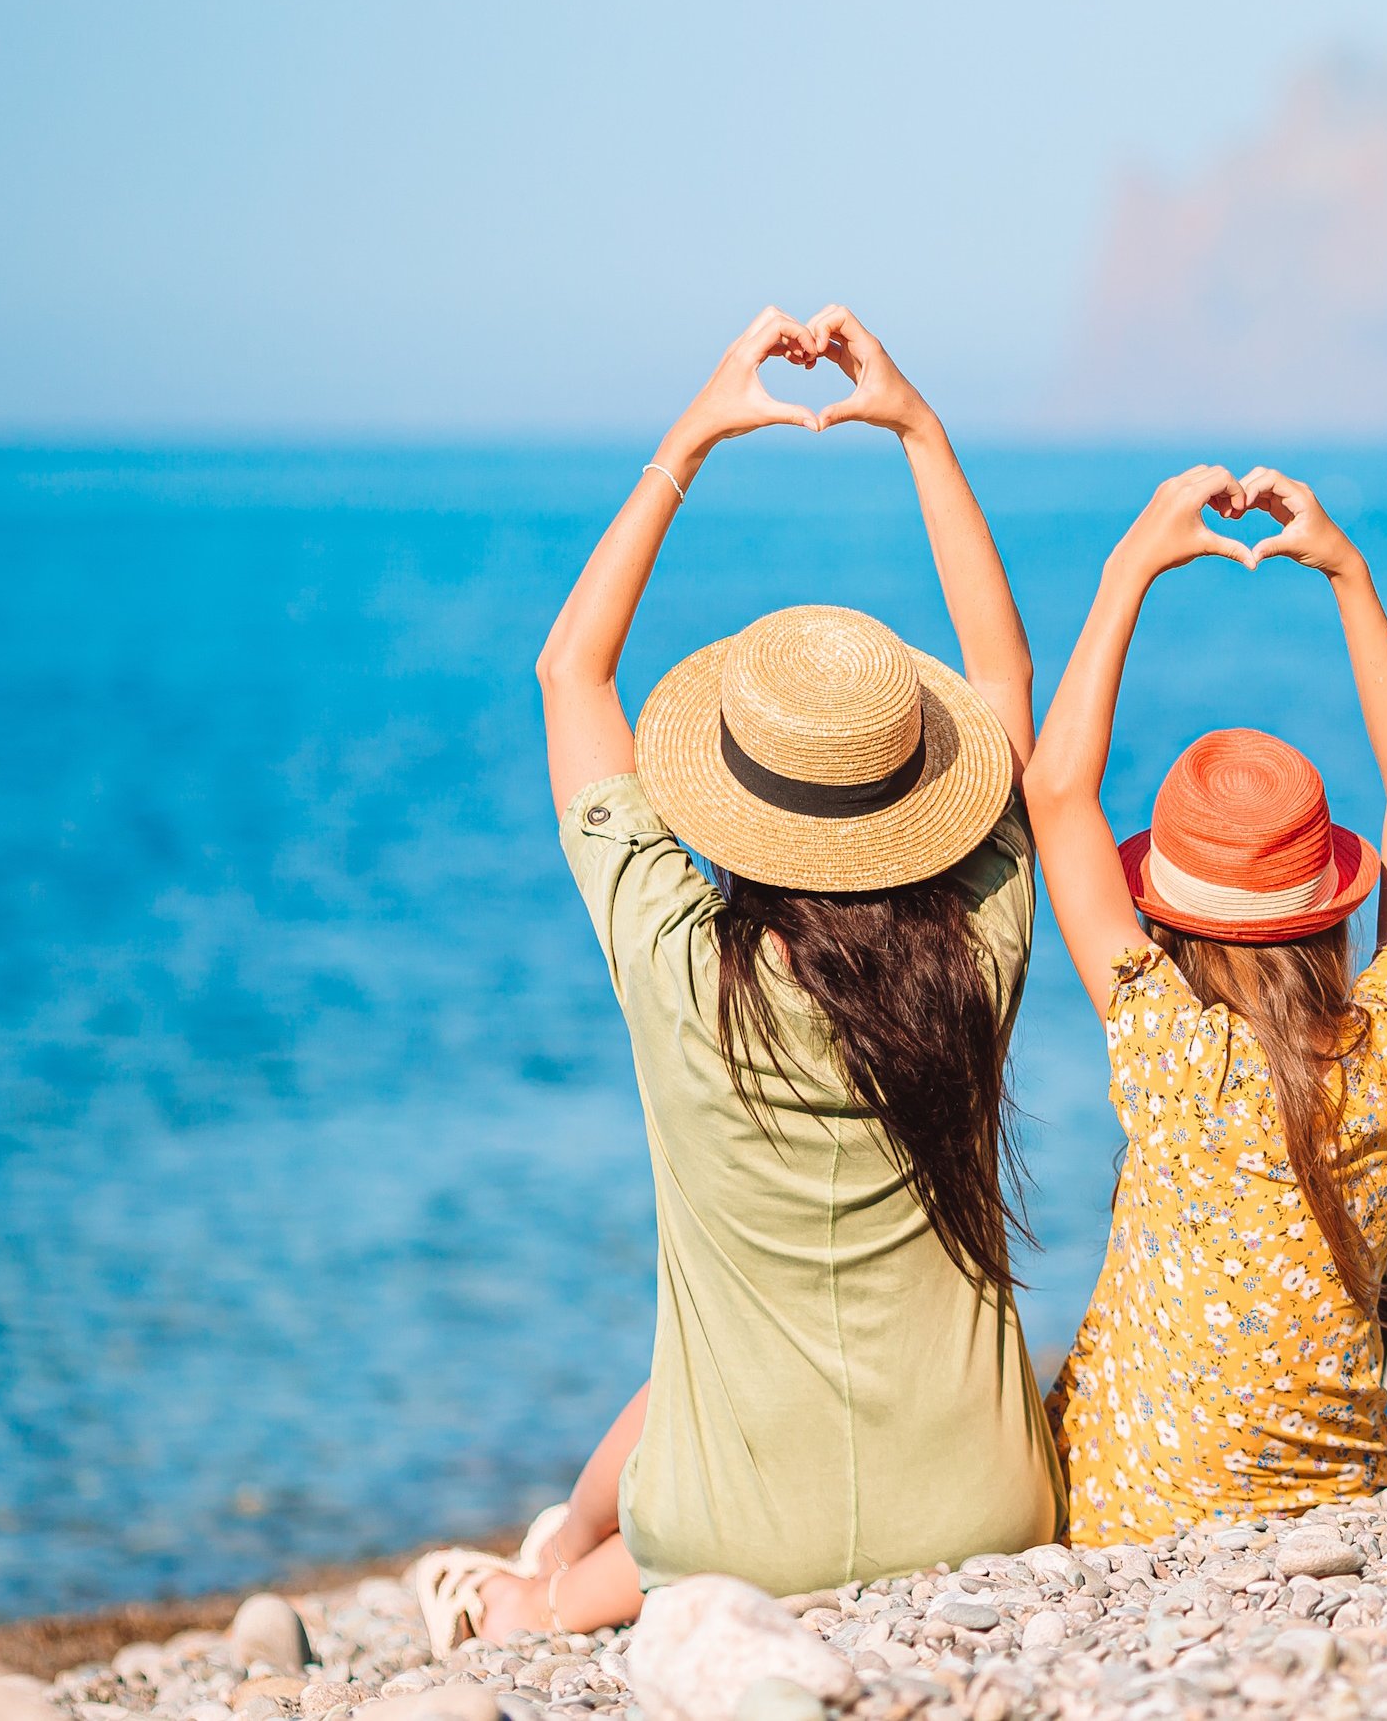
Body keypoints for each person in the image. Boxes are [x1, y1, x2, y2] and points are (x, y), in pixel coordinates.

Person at [408, 306, 1062, 1648]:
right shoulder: (981, 944)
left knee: (688, 1435)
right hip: (988, 1504)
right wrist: (922, 435)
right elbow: (1003, 679)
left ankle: (528, 1598)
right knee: (705, 1418)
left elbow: (567, 670)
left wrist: (691, 438)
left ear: (735, 808)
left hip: (733, 1532)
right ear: (914, 795)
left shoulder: (674, 962)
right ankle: (541, 1584)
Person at [1028, 464, 1387, 1543]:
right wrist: (1350, 575)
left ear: (1162, 914)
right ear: (1331, 907)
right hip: (1348, 1486)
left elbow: (1056, 792)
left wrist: (1133, 563)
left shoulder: (1172, 1049)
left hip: (1133, 1505)